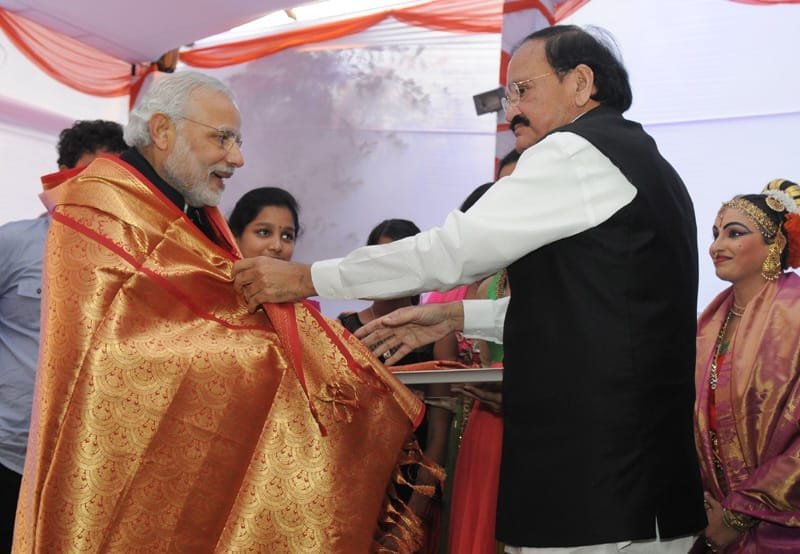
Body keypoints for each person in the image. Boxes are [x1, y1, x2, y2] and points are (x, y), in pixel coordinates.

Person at [232, 24, 706, 551]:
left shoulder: (574, 151)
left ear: (581, 83)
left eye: (523, 90)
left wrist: (308, 277)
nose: (511, 112)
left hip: (600, 476)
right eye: (508, 95)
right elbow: (600, 307)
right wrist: (459, 318)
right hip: (643, 483)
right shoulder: (644, 160)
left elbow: (451, 251)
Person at [13, 71, 430, 553]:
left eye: (238, 140)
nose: (237, 157)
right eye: (222, 138)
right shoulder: (100, 211)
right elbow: (115, 360)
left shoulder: (187, 210)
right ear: (164, 131)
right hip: (106, 462)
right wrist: (270, 357)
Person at [0, 119, 126, 552]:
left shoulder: (127, 264)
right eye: (85, 176)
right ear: (60, 173)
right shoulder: (14, 243)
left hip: (78, 463)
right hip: (6, 451)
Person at [695, 178, 800, 553]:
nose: (716, 246)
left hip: (784, 528)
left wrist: (739, 514)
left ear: (776, 243)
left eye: (734, 233)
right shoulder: (708, 323)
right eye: (715, 233)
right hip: (712, 519)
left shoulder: (795, 314)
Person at [228, 186, 301, 261]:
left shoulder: (304, 272)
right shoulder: (216, 271)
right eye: (264, 232)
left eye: (287, 236)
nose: (277, 246)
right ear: (234, 237)